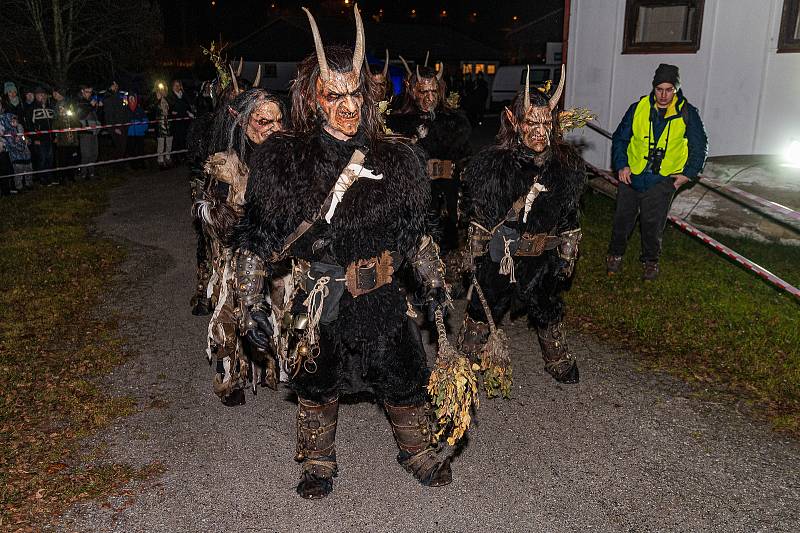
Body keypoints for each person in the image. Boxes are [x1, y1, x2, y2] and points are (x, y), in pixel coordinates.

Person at [232, 5, 452, 499]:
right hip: (321, 297)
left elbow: (416, 232)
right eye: (336, 95)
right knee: (317, 381)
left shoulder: (397, 158)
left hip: (383, 294)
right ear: (315, 98)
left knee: (403, 373)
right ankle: (317, 460)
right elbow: (259, 236)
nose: (349, 106)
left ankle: (416, 449)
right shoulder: (285, 162)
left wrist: (434, 281)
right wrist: (248, 302)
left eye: (355, 93)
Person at [460, 66, 585, 386]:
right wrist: (475, 249)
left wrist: (569, 249)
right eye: (532, 122)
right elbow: (479, 214)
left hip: (542, 256)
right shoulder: (493, 167)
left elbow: (570, 213)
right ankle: (461, 365)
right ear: (514, 121)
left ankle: (557, 359)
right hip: (502, 256)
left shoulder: (565, 167)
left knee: (548, 308)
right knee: (482, 307)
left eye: (547, 122)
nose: (540, 131)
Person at [194, 87, 285, 405]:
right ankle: (228, 378)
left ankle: (272, 367)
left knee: (280, 306)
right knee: (232, 312)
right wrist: (220, 214)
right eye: (265, 121)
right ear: (244, 122)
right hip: (238, 251)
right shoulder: (226, 163)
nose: (274, 128)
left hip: (275, 249)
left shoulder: (281, 159)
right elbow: (207, 208)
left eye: (278, 121)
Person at [606, 63, 708, 280]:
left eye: (669, 89)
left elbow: (700, 146)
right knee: (622, 220)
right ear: (653, 88)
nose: (663, 95)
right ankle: (615, 254)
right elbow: (620, 138)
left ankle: (650, 261)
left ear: (676, 89)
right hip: (631, 176)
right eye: (659, 89)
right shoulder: (638, 108)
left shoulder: (688, 113)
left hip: (662, 180)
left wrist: (687, 174)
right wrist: (621, 164)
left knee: (652, 224)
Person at [387, 55, 472, 252]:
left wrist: (457, 171)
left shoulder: (454, 122)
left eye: (433, 91)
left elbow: (465, 157)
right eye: (423, 91)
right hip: (414, 201)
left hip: (446, 199)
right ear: (411, 90)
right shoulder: (398, 123)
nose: (430, 98)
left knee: (446, 246)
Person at [27, 87, 56, 185]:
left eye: (43, 94)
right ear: (35, 96)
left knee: (50, 158)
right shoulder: (32, 108)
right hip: (40, 139)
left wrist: (54, 136)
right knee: (42, 159)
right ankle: (42, 178)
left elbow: (53, 124)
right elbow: (30, 125)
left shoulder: (49, 107)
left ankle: (49, 177)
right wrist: (35, 138)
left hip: (50, 138)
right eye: (40, 94)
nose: (42, 96)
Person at [52, 88, 81, 182]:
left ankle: (71, 176)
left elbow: (78, 125)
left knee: (71, 159)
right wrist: (60, 117)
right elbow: (55, 127)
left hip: (72, 141)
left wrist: (72, 117)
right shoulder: (57, 118)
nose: (62, 110)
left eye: (64, 108)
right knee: (62, 160)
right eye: (60, 108)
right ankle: (62, 177)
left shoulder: (71, 116)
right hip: (62, 142)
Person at [76, 85, 101, 179]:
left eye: (90, 92)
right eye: (87, 91)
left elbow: (97, 115)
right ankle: (83, 174)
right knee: (86, 154)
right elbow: (80, 115)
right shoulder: (79, 101)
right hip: (85, 132)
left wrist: (99, 107)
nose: (89, 93)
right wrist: (91, 105)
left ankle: (91, 173)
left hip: (94, 131)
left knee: (94, 153)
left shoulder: (91, 101)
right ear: (82, 91)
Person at [168, 79, 193, 160]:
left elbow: (188, 104)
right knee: (176, 140)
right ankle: (175, 157)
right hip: (175, 122)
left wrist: (184, 92)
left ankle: (183, 155)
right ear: (172, 87)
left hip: (184, 120)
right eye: (176, 85)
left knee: (183, 138)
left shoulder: (183, 95)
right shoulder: (171, 96)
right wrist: (181, 108)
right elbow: (174, 106)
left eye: (179, 85)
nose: (177, 87)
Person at [151, 85, 173, 170]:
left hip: (169, 124)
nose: (162, 91)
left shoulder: (169, 99)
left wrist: (166, 97)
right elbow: (151, 108)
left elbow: (173, 105)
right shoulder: (155, 99)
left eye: (164, 89)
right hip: (160, 125)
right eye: (160, 89)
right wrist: (158, 99)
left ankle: (168, 158)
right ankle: (160, 160)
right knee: (161, 143)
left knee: (169, 142)